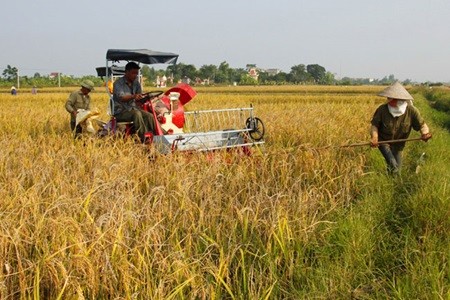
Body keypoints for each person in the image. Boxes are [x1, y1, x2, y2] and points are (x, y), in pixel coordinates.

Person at [370, 81, 432, 174]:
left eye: (392, 99)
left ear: (400, 100)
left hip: (399, 143)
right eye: (389, 98)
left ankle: (391, 183)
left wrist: (425, 134)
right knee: (393, 165)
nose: (389, 100)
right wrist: (374, 138)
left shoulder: (411, 111)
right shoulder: (382, 110)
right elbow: (374, 126)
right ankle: (391, 178)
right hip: (384, 141)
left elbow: (422, 125)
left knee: (397, 170)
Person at [112, 62, 156, 142]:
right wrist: (133, 96)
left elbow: (138, 99)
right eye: (133, 73)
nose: (135, 75)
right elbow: (121, 98)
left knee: (149, 115)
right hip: (120, 112)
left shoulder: (136, 83)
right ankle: (144, 138)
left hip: (133, 109)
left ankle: (157, 136)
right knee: (137, 113)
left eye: (136, 73)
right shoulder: (118, 83)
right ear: (126, 72)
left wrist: (145, 98)